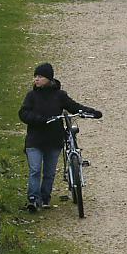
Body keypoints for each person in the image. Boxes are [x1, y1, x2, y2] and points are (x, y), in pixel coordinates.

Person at [18, 62, 102, 211]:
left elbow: (75, 107)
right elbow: (23, 113)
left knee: (49, 172)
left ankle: (45, 198)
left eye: (40, 76)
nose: (36, 80)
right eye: (35, 77)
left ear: (49, 78)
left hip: (54, 140)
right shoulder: (31, 96)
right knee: (35, 169)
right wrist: (39, 119)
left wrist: (92, 112)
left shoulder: (60, 96)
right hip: (34, 140)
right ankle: (33, 199)